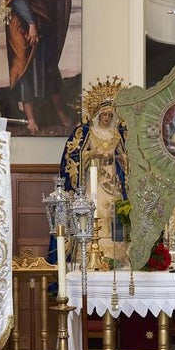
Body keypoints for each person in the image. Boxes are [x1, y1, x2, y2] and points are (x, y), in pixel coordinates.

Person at [5, 0, 74, 135]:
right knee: (25, 71)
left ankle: (59, 111)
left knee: (50, 68)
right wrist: (31, 24)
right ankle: (31, 119)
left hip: (46, 27)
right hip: (22, 28)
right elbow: (18, 0)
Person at [53, 89, 128, 261]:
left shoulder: (117, 134)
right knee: (95, 211)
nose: (107, 118)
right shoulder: (87, 133)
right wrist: (93, 154)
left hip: (113, 180)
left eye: (110, 115)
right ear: (97, 115)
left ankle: (115, 257)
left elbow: (126, 156)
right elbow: (74, 155)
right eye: (104, 115)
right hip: (93, 179)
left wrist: (119, 157)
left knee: (114, 213)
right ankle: (88, 255)